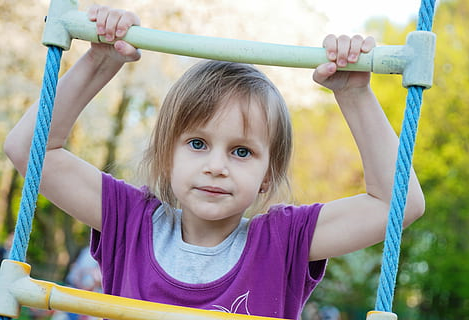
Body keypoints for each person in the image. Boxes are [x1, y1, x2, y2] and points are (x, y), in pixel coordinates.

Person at [3, 5, 425, 320]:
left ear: (267, 178)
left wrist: (354, 94)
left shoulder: (281, 241)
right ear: (167, 156)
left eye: (242, 152)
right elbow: (30, 149)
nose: (217, 166)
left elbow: (398, 205)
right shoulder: (129, 221)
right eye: (198, 143)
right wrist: (100, 60)